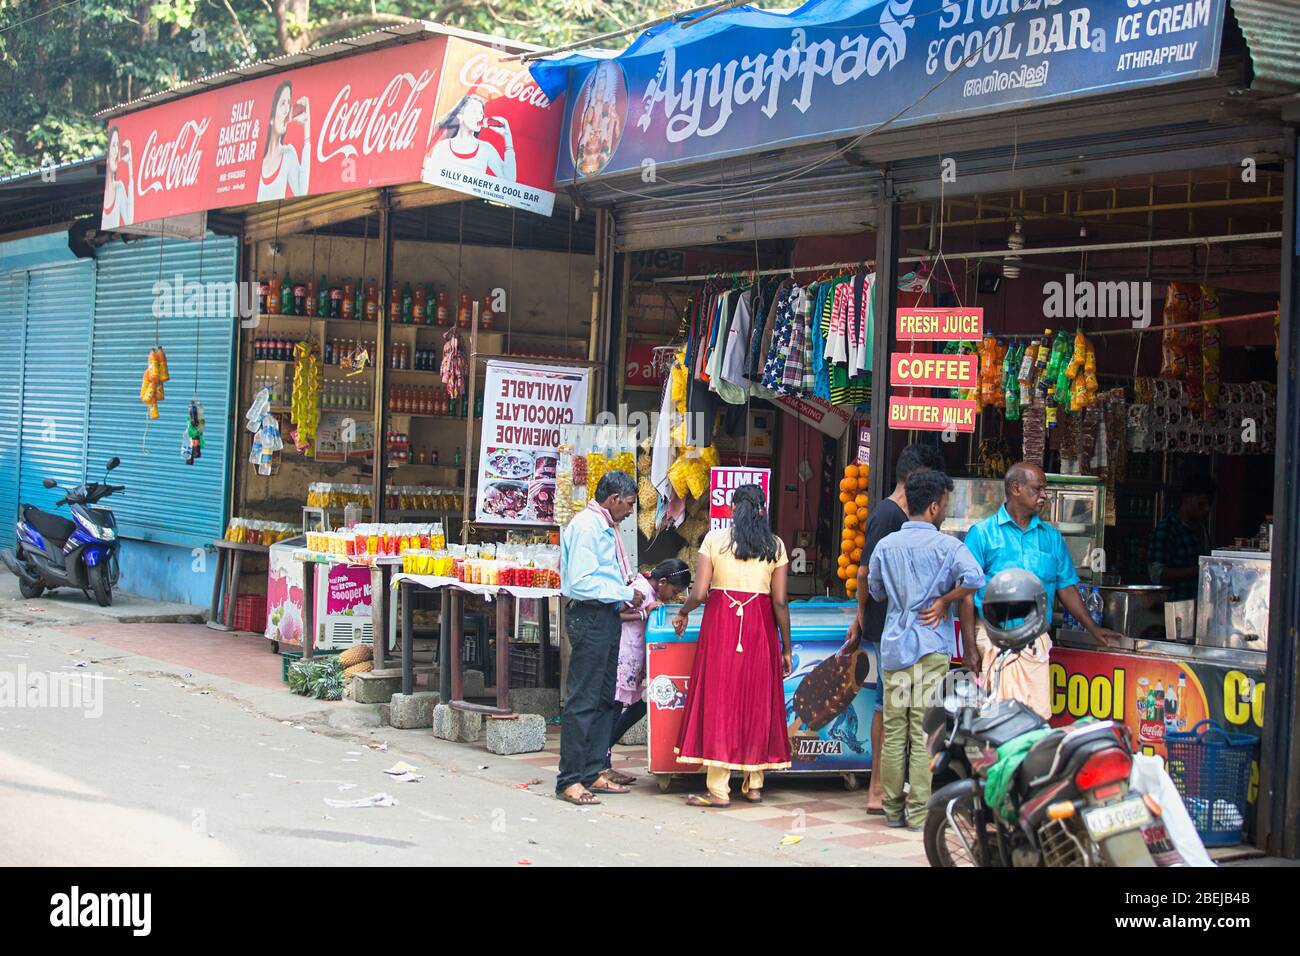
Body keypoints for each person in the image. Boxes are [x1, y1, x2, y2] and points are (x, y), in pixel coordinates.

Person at [867, 469, 985, 830]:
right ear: (934, 507)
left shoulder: (886, 545)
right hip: (931, 648)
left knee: (894, 729)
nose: (945, 510)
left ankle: (891, 810)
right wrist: (944, 599)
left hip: (895, 648)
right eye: (945, 504)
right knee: (922, 732)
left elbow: (875, 591)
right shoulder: (949, 546)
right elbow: (976, 578)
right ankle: (918, 813)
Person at [961, 462, 1123, 719]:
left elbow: (1066, 588)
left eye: (1044, 489)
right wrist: (969, 649)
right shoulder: (982, 534)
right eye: (1037, 489)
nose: (1044, 495)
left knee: (1036, 719)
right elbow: (966, 595)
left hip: (1034, 643)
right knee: (996, 721)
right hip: (993, 639)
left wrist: (1092, 627)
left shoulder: (1051, 537)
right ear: (1016, 488)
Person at [841, 442, 947, 814]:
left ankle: (887, 789)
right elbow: (866, 570)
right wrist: (860, 617)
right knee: (889, 711)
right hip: (892, 629)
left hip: (899, 629)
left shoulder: (899, 515)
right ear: (917, 478)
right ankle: (876, 791)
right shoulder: (888, 515)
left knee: (895, 710)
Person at [671, 484, 792, 807]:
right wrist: (786, 647)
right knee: (757, 701)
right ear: (762, 509)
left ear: (732, 508)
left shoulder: (714, 539)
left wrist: (682, 613)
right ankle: (754, 785)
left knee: (720, 701)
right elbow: (780, 602)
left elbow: (698, 593)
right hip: (760, 628)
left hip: (722, 626)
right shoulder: (776, 545)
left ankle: (719, 790)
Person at [557, 470, 644, 806]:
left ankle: (593, 770)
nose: (631, 510)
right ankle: (569, 779)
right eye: (629, 503)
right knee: (583, 699)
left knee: (605, 698)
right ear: (612, 499)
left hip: (606, 616)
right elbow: (579, 582)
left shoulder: (606, 526)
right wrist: (621, 592)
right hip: (589, 615)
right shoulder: (586, 527)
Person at [601, 559, 692, 784]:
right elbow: (614, 615)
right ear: (662, 582)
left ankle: (603, 754)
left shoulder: (652, 592)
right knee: (614, 708)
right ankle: (602, 763)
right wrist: (643, 614)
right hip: (623, 656)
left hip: (635, 660)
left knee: (640, 706)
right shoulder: (640, 590)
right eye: (675, 590)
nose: (674, 595)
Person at [422, 92, 516, 183]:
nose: (479, 117)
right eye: (474, 111)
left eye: (481, 113)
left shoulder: (486, 149)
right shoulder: (442, 147)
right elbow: (432, 177)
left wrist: (507, 137)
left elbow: (509, 179)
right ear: (460, 115)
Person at [1148, 475, 1215, 602]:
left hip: (1201, 604)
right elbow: (1157, 574)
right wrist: (1200, 569)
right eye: (1201, 503)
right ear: (1186, 499)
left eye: (1209, 504)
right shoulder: (1167, 529)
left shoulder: (1202, 528)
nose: (1206, 509)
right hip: (1176, 604)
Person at [258, 79, 311, 200]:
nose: (287, 109)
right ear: (271, 118)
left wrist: (307, 126)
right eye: (282, 103)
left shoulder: (288, 154)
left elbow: (301, 192)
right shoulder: (258, 162)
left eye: (289, 103)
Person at [102, 125, 134, 229]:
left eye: (117, 145)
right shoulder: (102, 194)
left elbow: (129, 220)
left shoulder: (119, 187)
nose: (116, 151)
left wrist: (130, 165)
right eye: (113, 146)